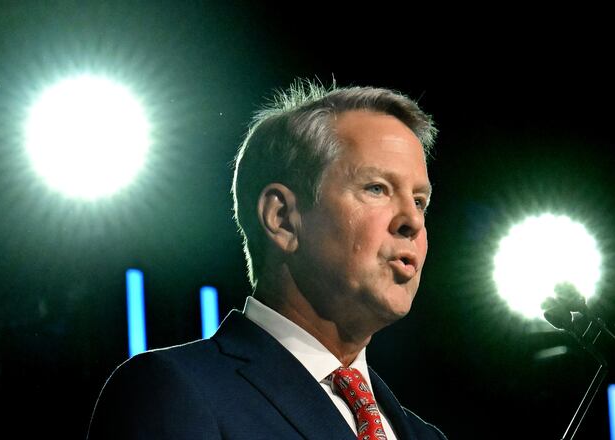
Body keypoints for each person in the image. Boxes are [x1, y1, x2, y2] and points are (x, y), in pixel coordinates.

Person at [87, 80, 447, 439]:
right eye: (377, 188)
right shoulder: (173, 392)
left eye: (420, 201)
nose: (413, 221)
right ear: (283, 219)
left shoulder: (426, 436)